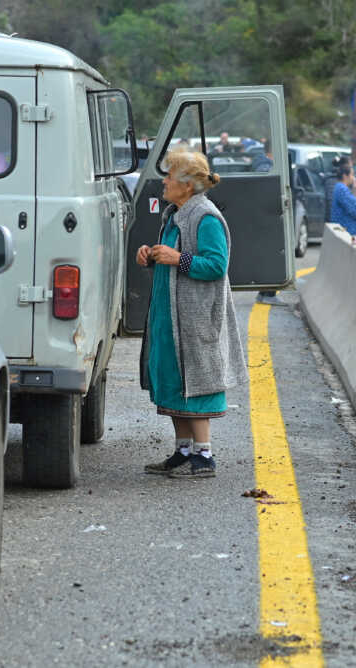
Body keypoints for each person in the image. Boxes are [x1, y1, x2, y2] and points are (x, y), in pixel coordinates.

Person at [136, 150, 248, 478]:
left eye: (169, 176)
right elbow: (172, 255)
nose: (164, 181)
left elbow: (216, 265)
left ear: (187, 185)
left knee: (196, 381)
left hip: (195, 316)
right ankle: (182, 451)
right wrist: (152, 255)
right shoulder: (175, 213)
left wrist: (178, 259)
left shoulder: (206, 217)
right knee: (173, 379)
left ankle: (204, 457)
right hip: (169, 315)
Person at [331, 165, 356, 240]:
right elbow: (353, 209)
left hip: (347, 230)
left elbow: (353, 202)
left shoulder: (341, 188)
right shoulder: (342, 189)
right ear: (345, 176)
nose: (353, 178)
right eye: (352, 175)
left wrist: (355, 189)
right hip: (349, 231)